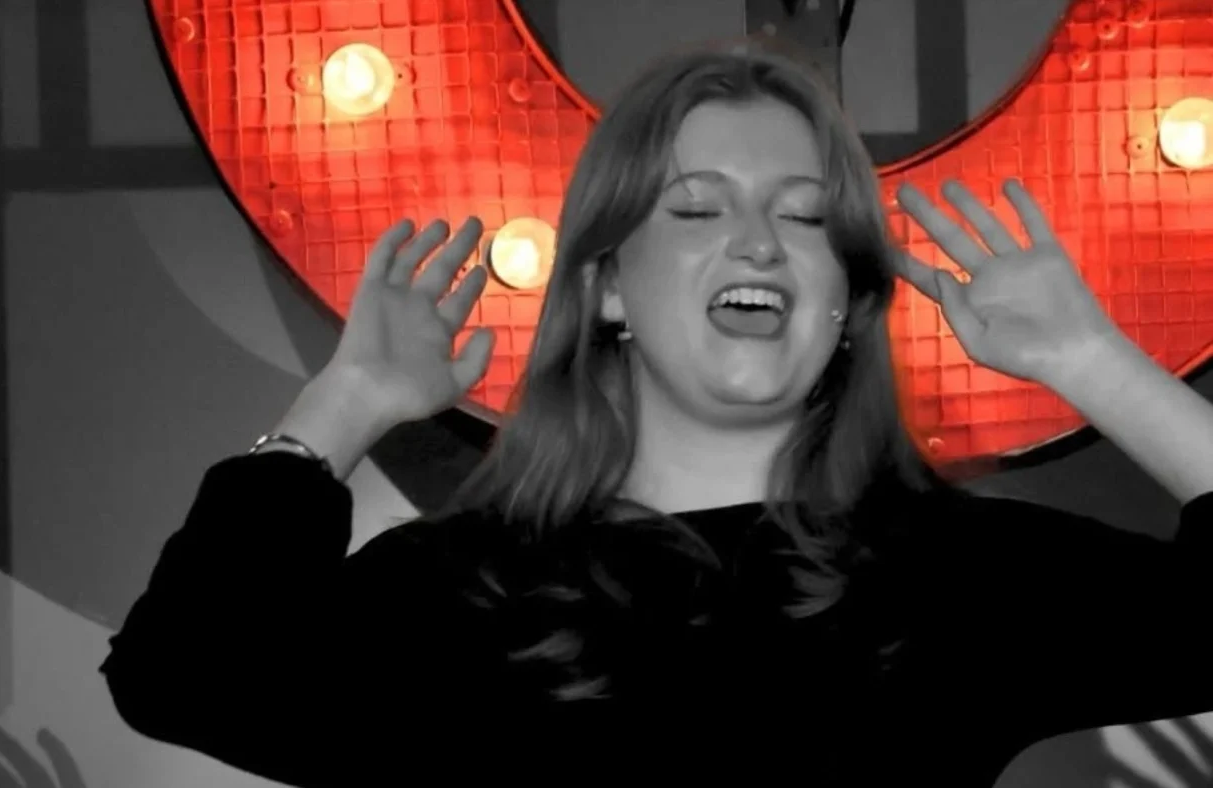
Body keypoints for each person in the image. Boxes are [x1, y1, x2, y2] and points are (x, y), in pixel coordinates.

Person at [100, 43, 1213, 787]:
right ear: (606, 288)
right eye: (695, 209)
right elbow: (180, 671)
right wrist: (348, 399)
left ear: (846, 303)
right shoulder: (460, 588)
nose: (757, 243)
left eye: (803, 216)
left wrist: (1090, 360)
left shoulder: (957, 577)